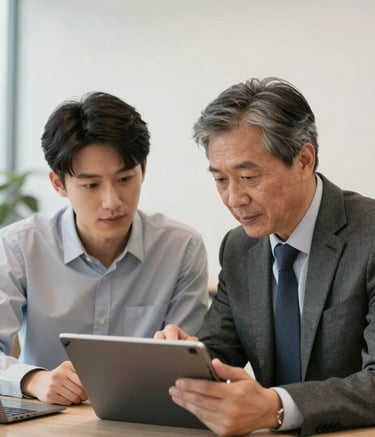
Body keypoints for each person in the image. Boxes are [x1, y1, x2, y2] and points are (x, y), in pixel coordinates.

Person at [155, 77, 375, 436]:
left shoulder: (369, 238)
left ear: (304, 160)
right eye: (221, 180)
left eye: (248, 176)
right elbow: (220, 350)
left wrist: (277, 407)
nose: (234, 199)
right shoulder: (239, 247)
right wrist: (186, 358)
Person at [0, 91, 209, 405]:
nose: (112, 202)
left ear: (144, 169)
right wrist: (34, 379)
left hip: (146, 420)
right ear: (59, 184)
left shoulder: (181, 248)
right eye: (91, 185)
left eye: (125, 178)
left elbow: (189, 364)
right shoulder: (19, 247)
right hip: (52, 423)